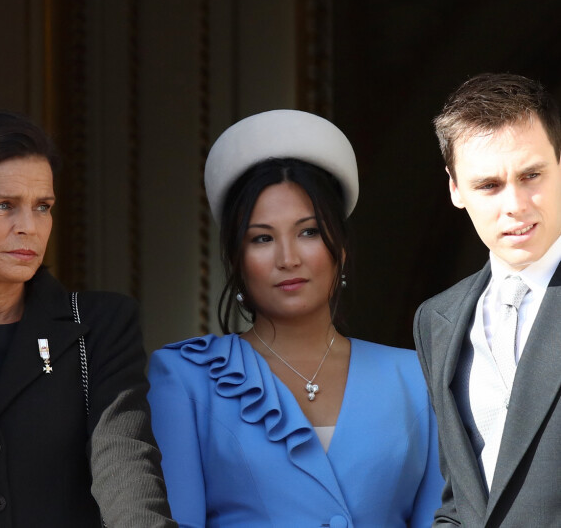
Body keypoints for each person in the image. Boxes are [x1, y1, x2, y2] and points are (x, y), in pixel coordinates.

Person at [148, 109, 443, 527]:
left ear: (339, 247)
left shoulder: (416, 377)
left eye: (308, 232)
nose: (288, 259)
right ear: (237, 258)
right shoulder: (186, 378)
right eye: (262, 238)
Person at [0, 111, 177, 527]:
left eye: (43, 207)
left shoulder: (100, 324)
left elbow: (125, 462)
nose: (29, 227)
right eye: (4, 206)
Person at [414, 73, 561, 526]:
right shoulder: (437, 319)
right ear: (456, 189)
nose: (514, 204)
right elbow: (462, 502)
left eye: (531, 175)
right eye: (489, 186)